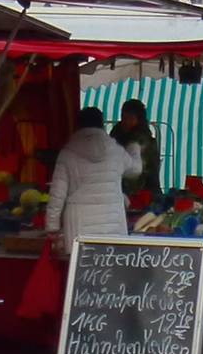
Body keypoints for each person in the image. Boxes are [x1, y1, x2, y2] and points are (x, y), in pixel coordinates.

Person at [47, 106, 139, 251]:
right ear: (102, 124)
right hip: (113, 225)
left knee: (82, 271)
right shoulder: (116, 151)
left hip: (79, 229)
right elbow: (136, 170)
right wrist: (134, 148)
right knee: (112, 267)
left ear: (77, 125)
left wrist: (52, 226)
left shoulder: (68, 153)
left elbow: (57, 194)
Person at [110, 98, 161, 197]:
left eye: (131, 118)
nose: (126, 122)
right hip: (119, 188)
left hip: (142, 190)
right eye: (124, 117)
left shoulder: (142, 138)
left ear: (139, 119)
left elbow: (149, 171)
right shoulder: (116, 133)